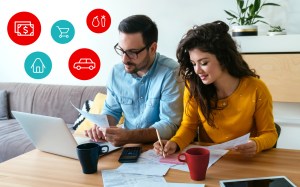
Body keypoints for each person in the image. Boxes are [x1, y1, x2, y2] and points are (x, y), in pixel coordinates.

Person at [153, 21, 278, 157]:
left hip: (245, 161)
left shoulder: (256, 88)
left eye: (204, 63)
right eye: (194, 63)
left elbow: (269, 134)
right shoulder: (193, 87)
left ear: (223, 58)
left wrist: (256, 144)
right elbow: (189, 126)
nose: (197, 70)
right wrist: (175, 143)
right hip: (211, 160)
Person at [85, 15, 184, 146]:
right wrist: (101, 127)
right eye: (121, 50)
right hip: (126, 145)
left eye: (132, 52)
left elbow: (170, 124)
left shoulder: (171, 72)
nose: (124, 59)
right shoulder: (116, 72)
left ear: (152, 48)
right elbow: (112, 111)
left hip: (160, 147)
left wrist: (129, 136)